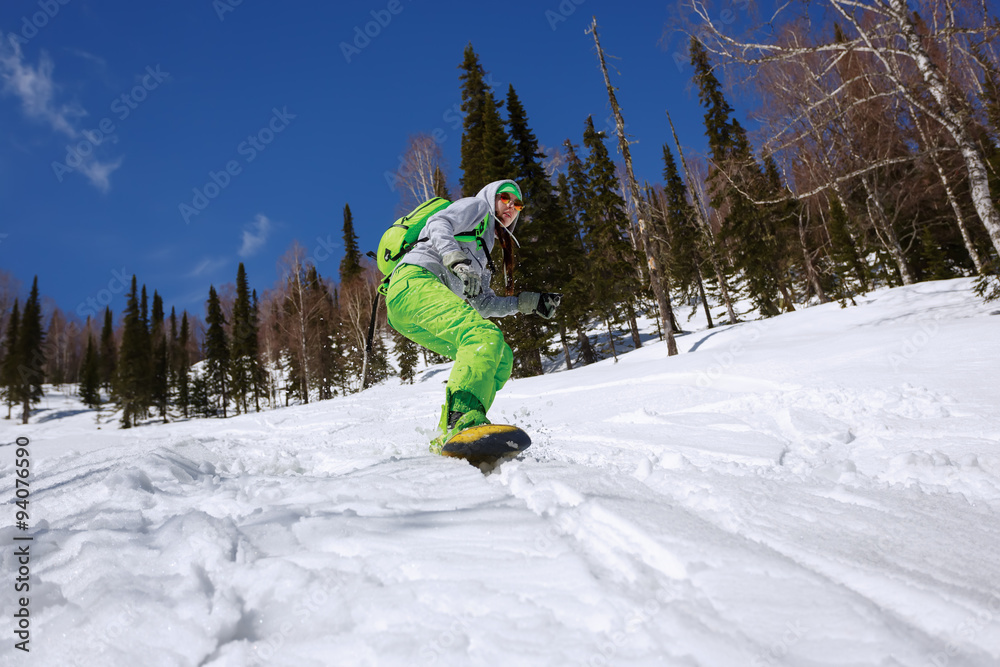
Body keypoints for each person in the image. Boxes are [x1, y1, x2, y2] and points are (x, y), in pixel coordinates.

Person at [385, 179, 561, 453]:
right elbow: (437, 224)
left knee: (501, 355)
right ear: (492, 196)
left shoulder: (484, 248)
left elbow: (483, 303)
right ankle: (463, 422)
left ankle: (449, 435)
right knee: (482, 336)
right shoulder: (476, 208)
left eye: (518, 205)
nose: (511, 207)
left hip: (410, 310)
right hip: (413, 281)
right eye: (506, 198)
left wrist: (527, 303)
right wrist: (456, 260)